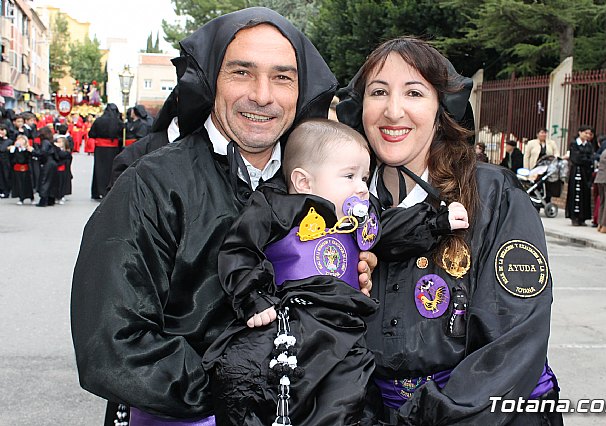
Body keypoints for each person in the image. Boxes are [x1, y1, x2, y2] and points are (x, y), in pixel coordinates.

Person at [71, 8, 377, 424]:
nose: (263, 95)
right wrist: (239, 397)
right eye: (242, 72)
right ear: (211, 79)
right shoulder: (152, 185)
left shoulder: (319, 184)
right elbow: (113, 341)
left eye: (282, 77)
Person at [338, 36, 561, 425]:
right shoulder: (339, 206)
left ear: (442, 107)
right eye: (378, 92)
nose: (393, 111)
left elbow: (513, 341)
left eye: (414, 92)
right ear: (360, 108)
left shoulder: (492, 195)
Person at [203, 118, 469, 425]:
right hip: (290, 324)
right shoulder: (276, 207)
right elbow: (240, 248)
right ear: (304, 182)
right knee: (243, 375)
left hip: (344, 330)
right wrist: (253, 298)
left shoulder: (361, 220)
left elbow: (392, 230)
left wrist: (435, 221)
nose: (361, 187)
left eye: (365, 177)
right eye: (349, 176)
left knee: (348, 397)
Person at [88, 103, 123, 199]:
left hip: (100, 149)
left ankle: (97, 191)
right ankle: (108, 190)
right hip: (114, 149)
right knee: (110, 169)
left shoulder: (99, 121)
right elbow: (121, 137)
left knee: (98, 169)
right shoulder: (119, 122)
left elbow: (91, 134)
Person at [565, 125, 595, 226]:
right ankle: (574, 216)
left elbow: (591, 159)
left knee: (584, 193)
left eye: (589, 133)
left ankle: (582, 217)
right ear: (580, 132)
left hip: (586, 173)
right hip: (576, 171)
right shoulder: (574, 144)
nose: (587, 135)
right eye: (585, 133)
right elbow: (576, 159)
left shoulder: (589, 145)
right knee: (575, 192)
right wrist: (585, 159)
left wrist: (585, 160)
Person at [8, 135, 34, 204]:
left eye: (22, 140)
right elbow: (11, 159)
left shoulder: (27, 149)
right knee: (19, 184)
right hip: (17, 168)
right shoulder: (14, 149)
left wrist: (25, 149)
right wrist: (11, 151)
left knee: (27, 184)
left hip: (25, 168)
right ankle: (21, 198)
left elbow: (28, 158)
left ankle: (31, 197)